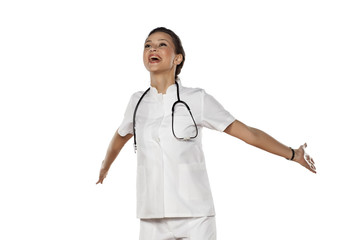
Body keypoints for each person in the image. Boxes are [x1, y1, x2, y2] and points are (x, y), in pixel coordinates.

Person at [96, 27, 316, 240]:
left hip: (195, 215)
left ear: (177, 58)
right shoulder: (137, 102)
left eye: (162, 45)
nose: (153, 49)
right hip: (151, 216)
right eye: (147, 45)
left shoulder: (197, 99)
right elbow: (120, 136)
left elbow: (249, 134)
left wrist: (293, 154)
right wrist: (105, 167)